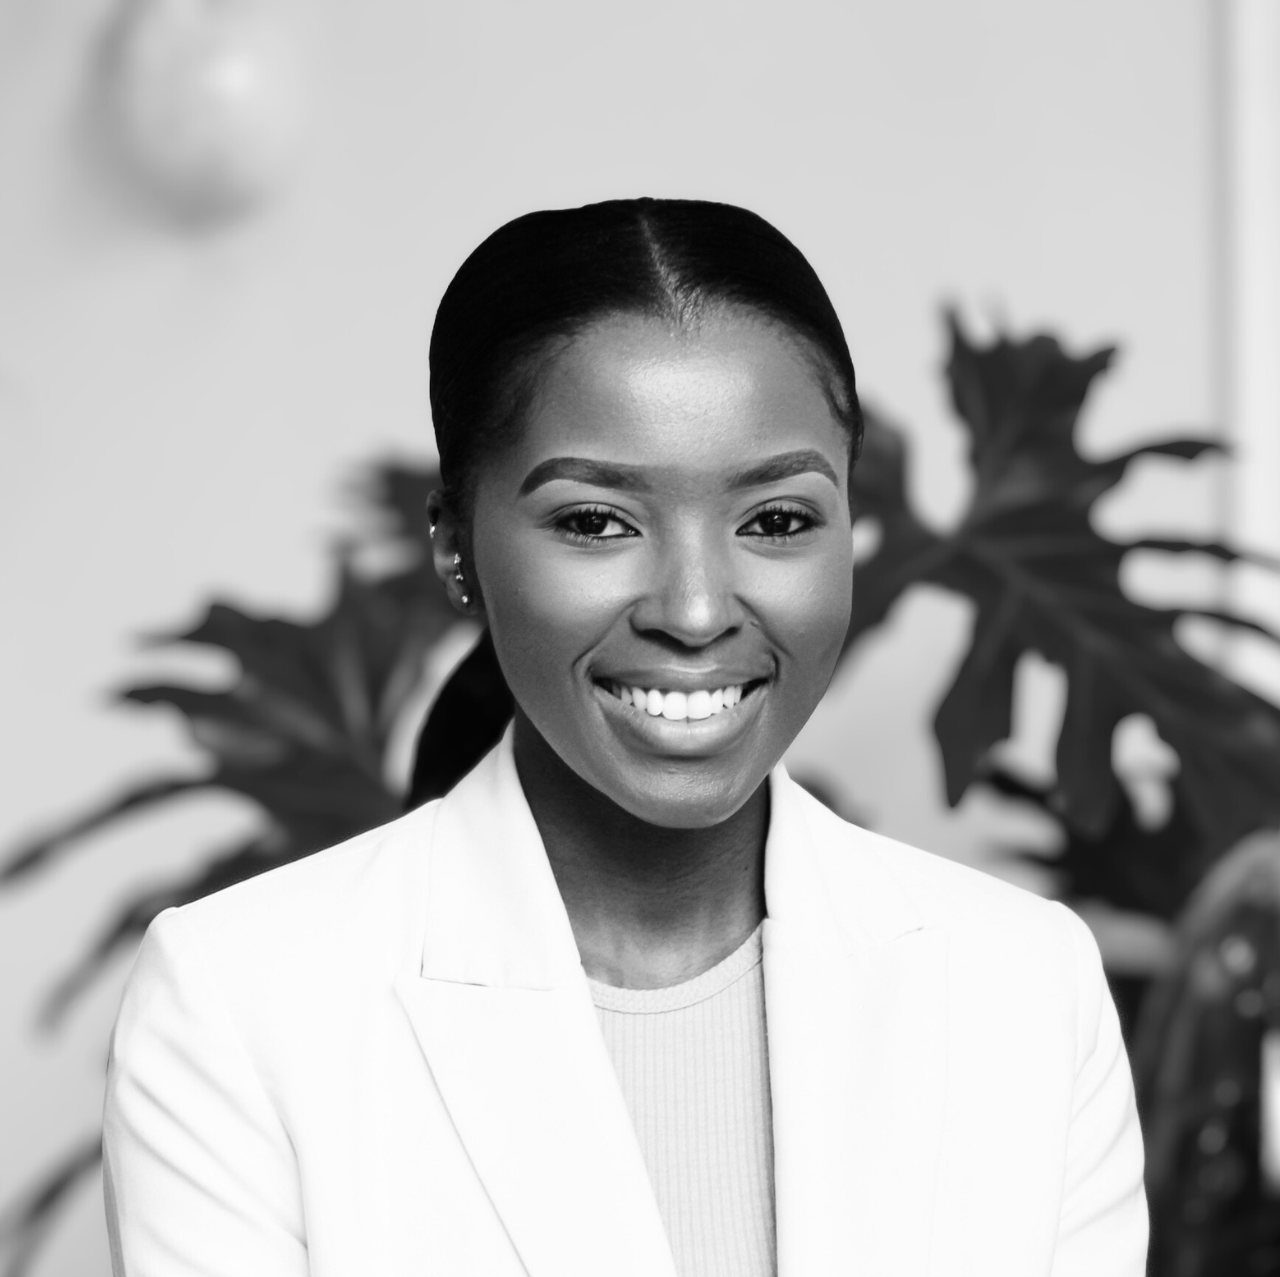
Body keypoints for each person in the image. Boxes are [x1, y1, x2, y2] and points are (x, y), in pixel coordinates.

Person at [102, 198, 1147, 1277]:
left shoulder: (1024, 988)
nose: (693, 610)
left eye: (776, 520)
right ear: (457, 545)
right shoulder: (242, 1001)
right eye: (596, 521)